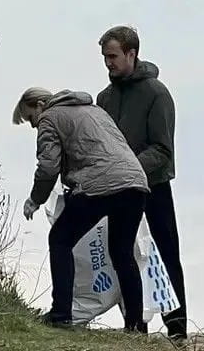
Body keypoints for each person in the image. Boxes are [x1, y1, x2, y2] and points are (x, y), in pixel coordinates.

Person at [14, 86, 150, 331]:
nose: (34, 126)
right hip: (135, 182)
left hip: (100, 184)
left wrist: (36, 199)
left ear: (39, 105)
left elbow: (48, 166)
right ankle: (136, 325)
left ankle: (61, 314)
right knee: (122, 253)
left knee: (60, 240)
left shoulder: (49, 118)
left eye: (30, 119)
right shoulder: (94, 110)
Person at [96, 25, 188, 340]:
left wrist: (130, 168)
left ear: (131, 54)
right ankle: (135, 327)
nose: (108, 63)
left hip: (154, 188)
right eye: (105, 57)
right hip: (119, 191)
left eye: (113, 56)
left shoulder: (157, 94)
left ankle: (177, 331)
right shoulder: (104, 98)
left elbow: (163, 150)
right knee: (124, 254)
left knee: (165, 254)